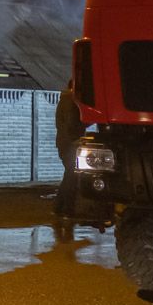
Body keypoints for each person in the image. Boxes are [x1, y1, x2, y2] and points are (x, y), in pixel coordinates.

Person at [54, 79, 86, 218]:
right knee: (72, 176)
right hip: (71, 143)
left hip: (65, 143)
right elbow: (72, 124)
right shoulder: (70, 101)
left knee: (69, 175)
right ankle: (67, 209)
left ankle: (59, 208)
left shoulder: (64, 100)